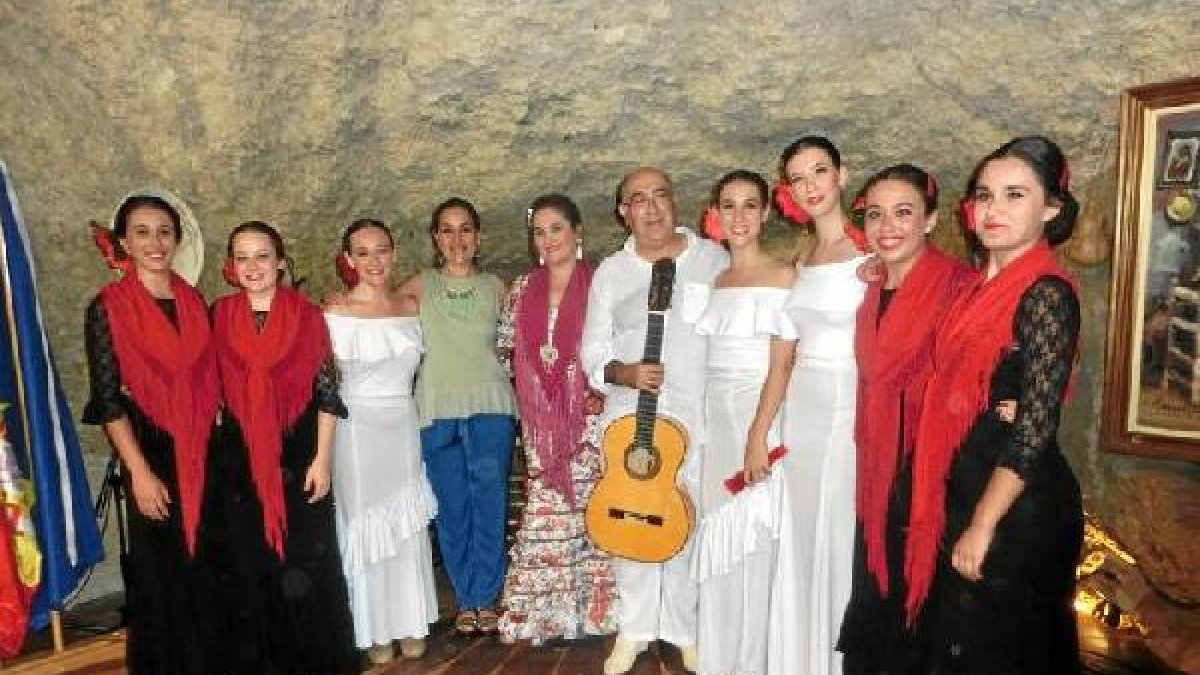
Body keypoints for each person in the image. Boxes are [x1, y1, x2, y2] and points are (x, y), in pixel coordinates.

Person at [907, 136, 1084, 675]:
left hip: (1011, 508)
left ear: (1050, 208)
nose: (994, 209)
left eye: (1014, 195)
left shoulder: (1044, 294)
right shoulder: (974, 288)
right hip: (967, 483)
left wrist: (982, 525)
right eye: (985, 196)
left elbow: (1034, 430)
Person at [581, 167, 728, 674]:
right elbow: (591, 354)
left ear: (675, 201)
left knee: (686, 524)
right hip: (630, 421)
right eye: (637, 199)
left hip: (696, 419)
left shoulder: (712, 259)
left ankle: (684, 630)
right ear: (623, 211)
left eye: (660, 196)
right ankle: (636, 628)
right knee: (630, 523)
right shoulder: (611, 273)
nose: (651, 208)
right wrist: (623, 371)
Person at [835, 164, 976, 675]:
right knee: (876, 594)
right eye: (875, 214)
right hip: (878, 468)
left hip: (932, 473)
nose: (887, 226)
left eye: (903, 213)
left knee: (922, 615)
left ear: (931, 219)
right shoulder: (868, 287)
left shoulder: (958, 286)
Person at [83, 194, 223, 674]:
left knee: (209, 569)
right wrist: (139, 474)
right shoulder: (107, 307)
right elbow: (108, 401)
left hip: (206, 449)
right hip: (152, 449)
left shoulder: (192, 299)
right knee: (162, 574)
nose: (155, 242)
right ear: (124, 241)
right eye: (142, 232)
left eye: (164, 231)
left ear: (178, 238)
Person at [211, 221, 358, 674]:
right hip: (239, 457)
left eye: (262, 256)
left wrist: (323, 459)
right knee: (248, 563)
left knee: (307, 564)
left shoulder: (307, 316)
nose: (253, 266)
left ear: (280, 262)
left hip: (299, 452)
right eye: (243, 257)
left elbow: (328, 393)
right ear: (232, 267)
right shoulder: (218, 315)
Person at [768, 136, 870, 675]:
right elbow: (785, 354)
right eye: (799, 177)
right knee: (801, 532)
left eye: (819, 171)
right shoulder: (801, 256)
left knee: (838, 534)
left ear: (841, 174)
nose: (810, 186)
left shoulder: (870, 256)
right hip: (801, 411)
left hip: (847, 408)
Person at [496, 193, 616, 644]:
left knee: (595, 513)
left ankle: (597, 613)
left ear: (578, 231)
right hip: (542, 424)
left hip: (591, 416)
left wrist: (592, 391)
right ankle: (545, 616)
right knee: (548, 513)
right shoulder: (523, 288)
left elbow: (619, 342)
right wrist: (541, 394)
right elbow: (508, 348)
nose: (547, 240)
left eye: (556, 229)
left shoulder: (601, 281)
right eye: (538, 232)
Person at [689, 170, 795, 675]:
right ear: (715, 213)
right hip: (717, 421)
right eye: (728, 205)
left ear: (766, 212)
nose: (738, 217)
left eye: (749, 205)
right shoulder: (716, 282)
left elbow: (782, 365)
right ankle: (723, 659)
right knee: (720, 539)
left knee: (757, 541)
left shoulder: (782, 276)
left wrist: (757, 436)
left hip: (761, 420)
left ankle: (757, 662)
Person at [398, 198, 517, 635]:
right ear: (435, 238)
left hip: (492, 406)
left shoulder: (498, 287)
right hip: (436, 409)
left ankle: (487, 597)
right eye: (446, 230)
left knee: (490, 504)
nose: (457, 239)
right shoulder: (418, 285)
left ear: (478, 236)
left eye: (465, 229)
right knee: (451, 506)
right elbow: (377, 308)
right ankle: (466, 598)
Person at [325, 219, 439, 663]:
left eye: (382, 250)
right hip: (356, 429)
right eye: (363, 252)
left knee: (407, 524)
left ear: (393, 253)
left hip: (402, 424)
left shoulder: (410, 306)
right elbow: (320, 386)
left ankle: (410, 621)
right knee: (365, 523)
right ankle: (373, 629)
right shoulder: (333, 312)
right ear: (349, 260)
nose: (375, 260)